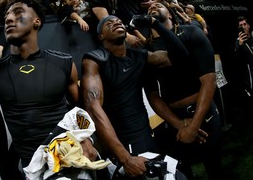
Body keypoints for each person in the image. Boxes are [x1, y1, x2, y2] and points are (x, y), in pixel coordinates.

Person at [0, 0, 96, 173]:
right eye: (7, 17)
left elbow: (80, 107)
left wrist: (88, 139)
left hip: (70, 160)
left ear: (37, 21)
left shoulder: (63, 63)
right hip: (29, 167)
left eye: (18, 13)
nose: (9, 19)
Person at [80, 15, 194, 179]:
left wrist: (155, 24)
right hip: (123, 145)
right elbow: (93, 107)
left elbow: (180, 57)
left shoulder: (139, 56)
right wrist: (125, 158)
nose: (116, 22)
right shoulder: (95, 60)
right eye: (109, 23)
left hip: (146, 136)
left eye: (119, 21)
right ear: (101, 36)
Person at [140, 2, 222, 180]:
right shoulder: (145, 49)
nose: (152, 7)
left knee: (214, 165)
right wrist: (180, 125)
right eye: (149, 8)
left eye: (158, 5)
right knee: (180, 170)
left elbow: (209, 80)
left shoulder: (191, 32)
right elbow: (152, 96)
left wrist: (194, 125)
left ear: (169, 14)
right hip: (173, 118)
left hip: (203, 111)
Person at [234, 16, 253, 112]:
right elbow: (237, 61)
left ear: (249, 26)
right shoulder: (238, 42)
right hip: (249, 78)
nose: (243, 26)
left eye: (245, 24)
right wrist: (240, 45)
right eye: (241, 25)